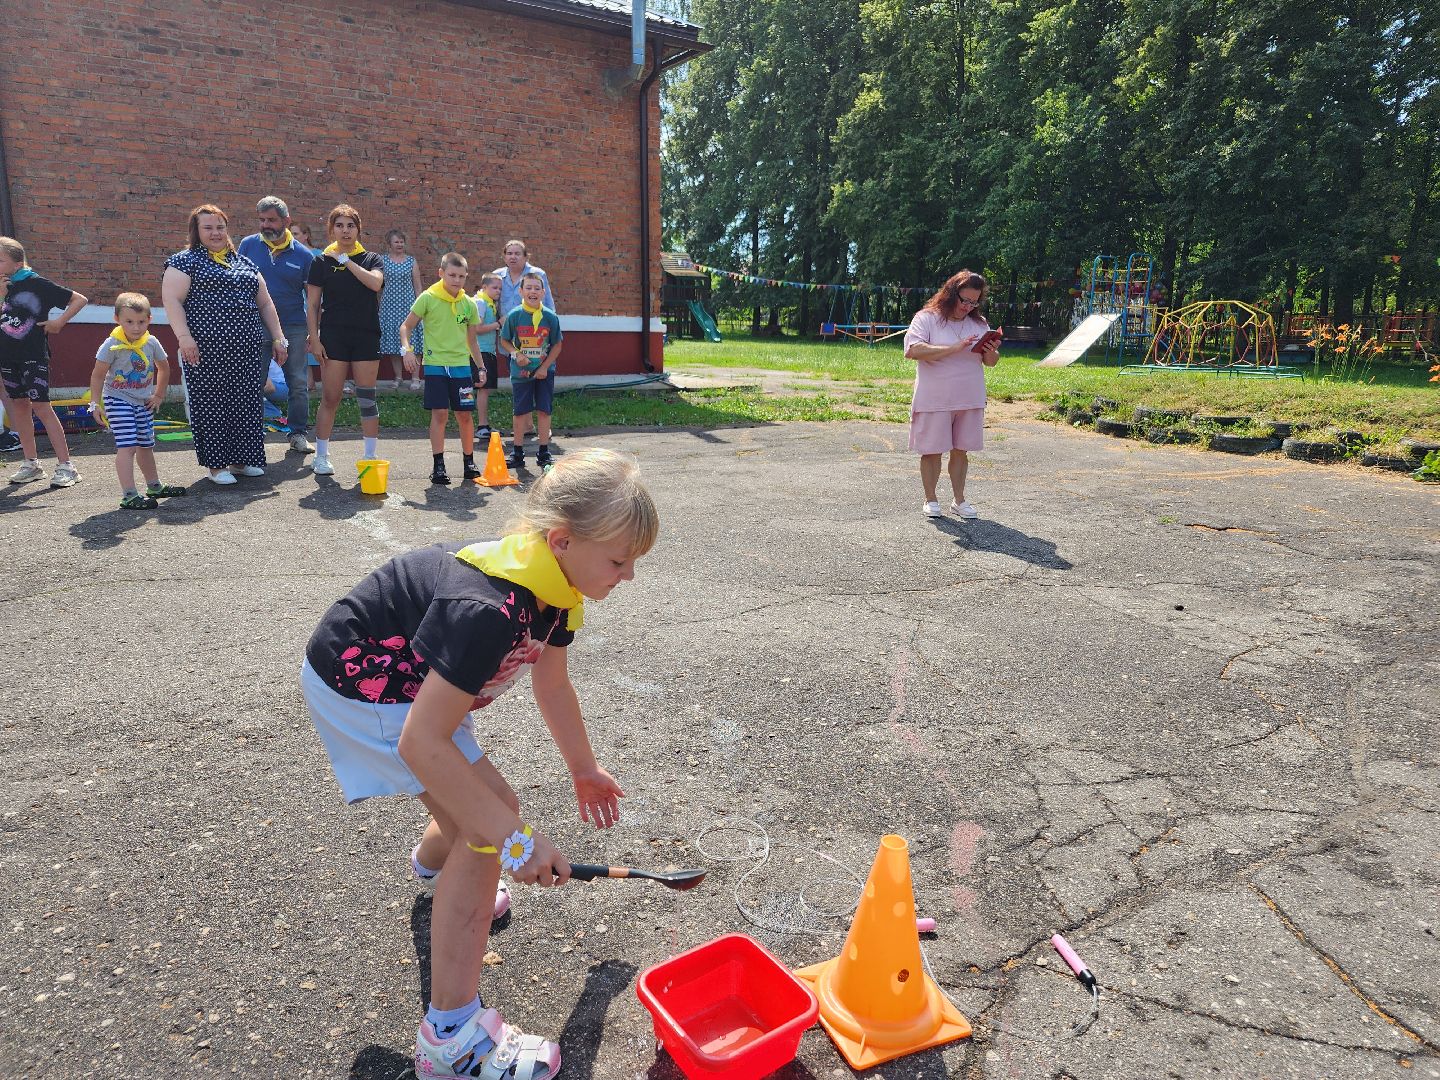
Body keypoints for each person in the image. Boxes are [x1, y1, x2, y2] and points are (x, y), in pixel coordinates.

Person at [301, 449, 656, 1080]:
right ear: (562, 539)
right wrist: (514, 841)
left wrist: (583, 769)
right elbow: (421, 744)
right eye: (619, 560)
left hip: (412, 685)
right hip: (365, 683)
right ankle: (451, 1038)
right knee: (487, 824)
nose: (627, 578)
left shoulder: (555, 584)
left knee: (482, 811)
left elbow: (553, 684)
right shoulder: (490, 607)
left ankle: (434, 865)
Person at [162, 205, 286, 485]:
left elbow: (264, 302)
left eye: (220, 227)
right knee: (213, 405)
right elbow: (172, 301)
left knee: (245, 404)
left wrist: (278, 337)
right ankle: (217, 467)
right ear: (197, 231)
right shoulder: (184, 262)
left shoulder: (244, 263)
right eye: (208, 228)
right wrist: (184, 338)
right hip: (205, 350)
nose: (215, 233)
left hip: (247, 349)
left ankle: (242, 461)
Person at [903, 269, 1000, 519]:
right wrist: (953, 348)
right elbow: (914, 350)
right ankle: (931, 499)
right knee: (932, 450)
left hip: (969, 397)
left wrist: (991, 349)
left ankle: (959, 500)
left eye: (973, 302)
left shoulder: (979, 323)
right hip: (934, 398)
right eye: (964, 300)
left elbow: (990, 362)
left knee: (961, 450)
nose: (968, 306)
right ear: (950, 293)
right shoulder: (926, 318)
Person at [0, 236, 88, 486]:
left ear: (17, 263)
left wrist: (59, 322)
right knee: (18, 406)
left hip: (32, 356)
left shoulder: (35, 283)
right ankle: (31, 464)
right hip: (7, 356)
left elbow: (78, 299)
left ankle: (67, 466)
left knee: (41, 406)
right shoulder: (3, 286)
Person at [87, 292, 187, 509]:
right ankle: (129, 495)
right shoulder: (111, 344)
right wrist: (95, 404)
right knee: (128, 445)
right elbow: (97, 375)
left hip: (143, 401)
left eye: (141, 322)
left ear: (149, 319)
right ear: (117, 319)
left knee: (146, 445)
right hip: (117, 399)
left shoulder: (151, 342)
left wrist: (159, 394)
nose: (135, 327)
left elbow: (164, 368)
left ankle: (154, 486)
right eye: (129, 322)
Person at [306, 204, 385, 477]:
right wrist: (314, 339)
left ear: (358, 229)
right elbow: (313, 304)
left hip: (365, 335)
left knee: (367, 398)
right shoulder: (320, 262)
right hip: (334, 337)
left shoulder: (371, 258)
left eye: (350, 225)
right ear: (331, 229)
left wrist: (347, 261)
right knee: (330, 397)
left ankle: (370, 456)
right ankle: (321, 456)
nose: (345, 230)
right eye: (339, 225)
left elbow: (375, 284)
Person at [237, 195, 316, 454]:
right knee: (251, 380)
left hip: (293, 325)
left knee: (297, 382)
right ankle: (248, 438)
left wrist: (313, 334)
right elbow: (238, 286)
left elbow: (314, 300)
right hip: (255, 324)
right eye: (261, 220)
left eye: (271, 220)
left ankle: (298, 434)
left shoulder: (304, 256)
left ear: (286, 221)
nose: (266, 225)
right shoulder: (248, 245)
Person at [398, 253, 484, 485]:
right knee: (440, 414)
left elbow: (472, 340)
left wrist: (481, 367)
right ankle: (438, 465)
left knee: (464, 415)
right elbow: (405, 327)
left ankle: (469, 462)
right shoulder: (428, 298)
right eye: (452, 275)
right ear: (441, 273)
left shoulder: (469, 305)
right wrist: (407, 350)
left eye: (461, 276)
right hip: (435, 365)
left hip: (461, 368)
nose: (456, 280)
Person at [498, 273, 562, 472]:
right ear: (521, 291)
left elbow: (557, 344)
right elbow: (505, 340)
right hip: (521, 373)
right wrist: (516, 354)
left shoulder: (550, 317)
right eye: (529, 288)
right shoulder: (515, 316)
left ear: (543, 293)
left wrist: (544, 367)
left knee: (544, 410)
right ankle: (517, 452)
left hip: (544, 372)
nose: (532, 292)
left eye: (537, 288)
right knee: (520, 412)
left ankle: (544, 451)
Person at [379, 229, 424, 391]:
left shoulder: (411, 261)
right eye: (396, 242)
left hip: (409, 307)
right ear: (389, 244)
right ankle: (398, 377)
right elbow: (378, 285)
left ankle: (415, 378)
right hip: (389, 307)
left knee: (414, 343)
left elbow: (418, 287)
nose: (400, 244)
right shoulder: (382, 261)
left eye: (401, 241)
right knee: (393, 343)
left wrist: (421, 308)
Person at [471, 273, 503, 445]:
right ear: (484, 288)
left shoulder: (489, 303)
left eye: (500, 288)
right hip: (480, 352)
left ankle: (483, 425)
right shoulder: (481, 302)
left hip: (488, 351)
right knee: (481, 388)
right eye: (494, 287)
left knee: (484, 389)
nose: (498, 291)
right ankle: (481, 426)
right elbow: (477, 328)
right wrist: (498, 324)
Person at [493, 239, 555, 320]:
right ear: (504, 258)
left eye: (517, 254)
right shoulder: (497, 276)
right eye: (509, 254)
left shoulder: (537, 274)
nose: (513, 257)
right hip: (504, 329)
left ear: (526, 257)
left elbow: (548, 305)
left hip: (532, 327)